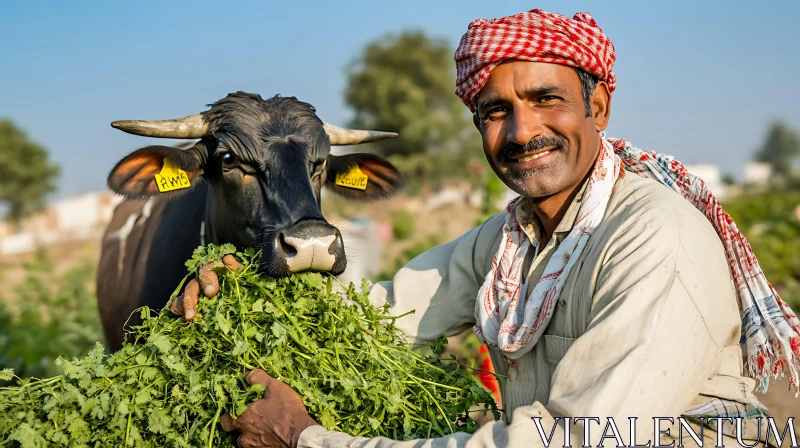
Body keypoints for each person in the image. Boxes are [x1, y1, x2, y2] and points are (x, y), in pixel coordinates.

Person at [171, 8, 800, 448]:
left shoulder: (656, 241)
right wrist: (245, 292)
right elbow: (377, 320)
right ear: (479, 128)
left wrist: (308, 439)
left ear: (598, 106)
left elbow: (580, 442)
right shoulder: (510, 243)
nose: (522, 133)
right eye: (497, 111)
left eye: (547, 99)